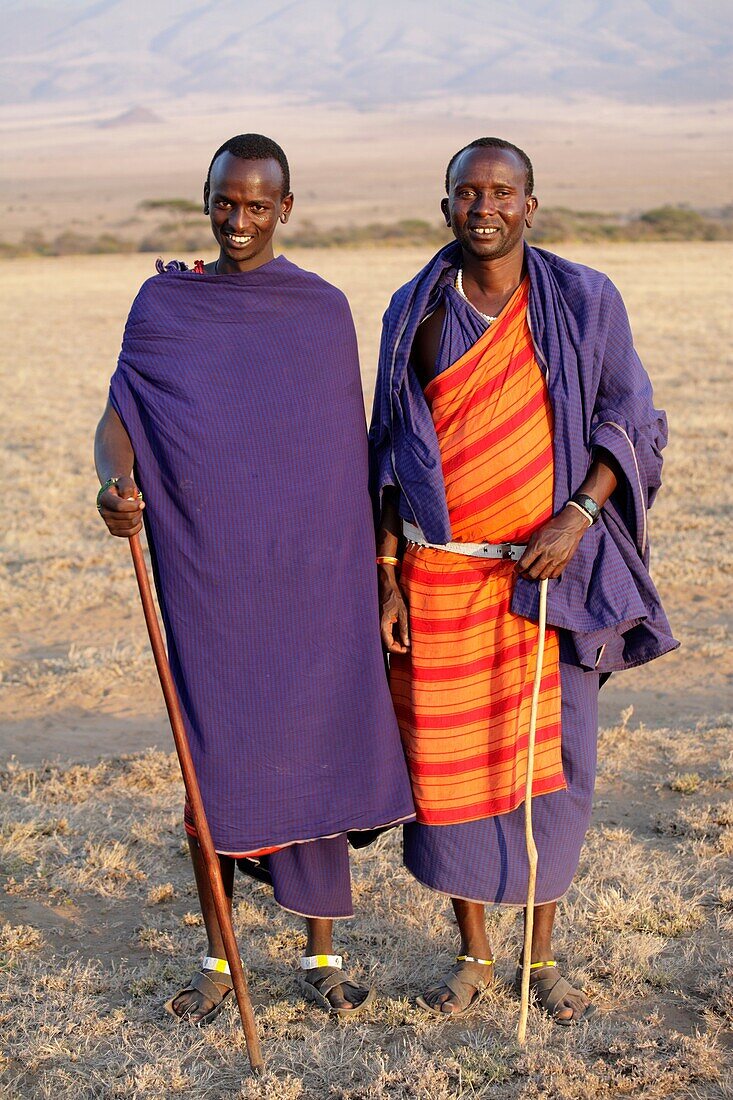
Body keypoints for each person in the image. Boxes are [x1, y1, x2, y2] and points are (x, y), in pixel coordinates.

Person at [95, 133, 414, 1025]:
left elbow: (334, 450)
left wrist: (371, 576)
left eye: (256, 206)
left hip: (312, 572)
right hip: (210, 573)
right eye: (223, 204)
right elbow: (121, 415)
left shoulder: (318, 309)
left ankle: (322, 952)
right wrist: (113, 484)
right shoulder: (165, 303)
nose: (238, 222)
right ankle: (217, 958)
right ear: (205, 201)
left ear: (286, 208)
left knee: (310, 749)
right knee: (216, 763)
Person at [369, 137, 677, 1022]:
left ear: (529, 208)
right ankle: (472, 955)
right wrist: (387, 574)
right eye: (467, 193)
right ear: (446, 208)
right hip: (444, 580)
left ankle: (540, 962)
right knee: (451, 773)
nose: (484, 207)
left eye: (502, 192)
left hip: (553, 580)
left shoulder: (584, 299)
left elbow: (630, 415)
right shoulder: (413, 311)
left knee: (554, 770)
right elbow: (389, 451)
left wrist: (577, 514)